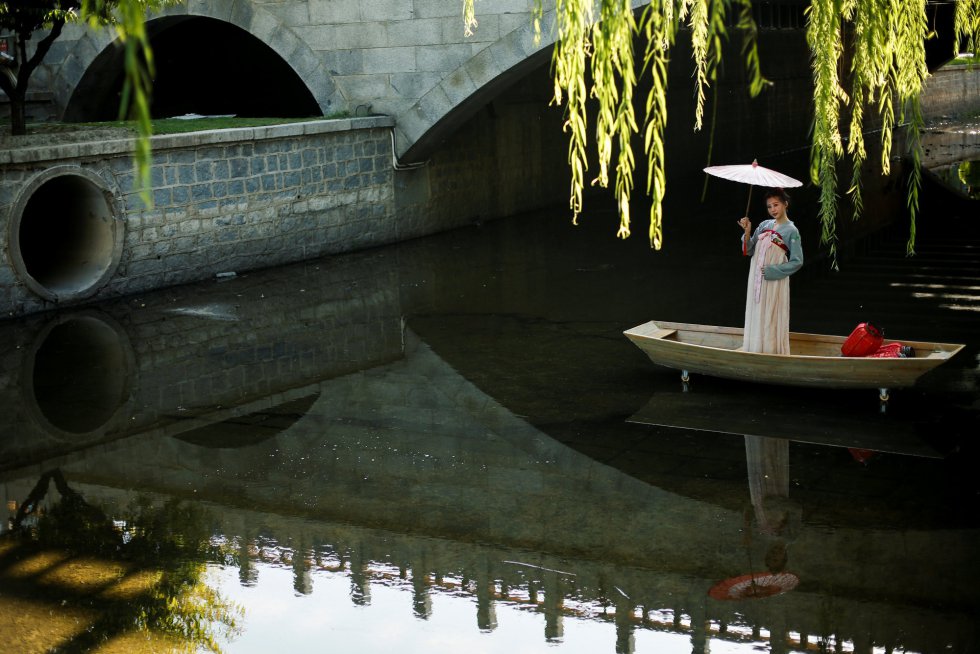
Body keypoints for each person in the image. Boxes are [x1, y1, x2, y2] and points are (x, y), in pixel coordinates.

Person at [737, 188, 802, 354]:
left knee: (771, 314)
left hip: (773, 279)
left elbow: (797, 261)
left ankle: (770, 352)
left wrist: (772, 270)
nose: (773, 209)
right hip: (756, 278)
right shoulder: (764, 225)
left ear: (785, 205)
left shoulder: (792, 231)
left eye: (776, 205)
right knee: (757, 311)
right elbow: (749, 250)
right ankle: (754, 349)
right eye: (769, 206)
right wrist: (747, 231)